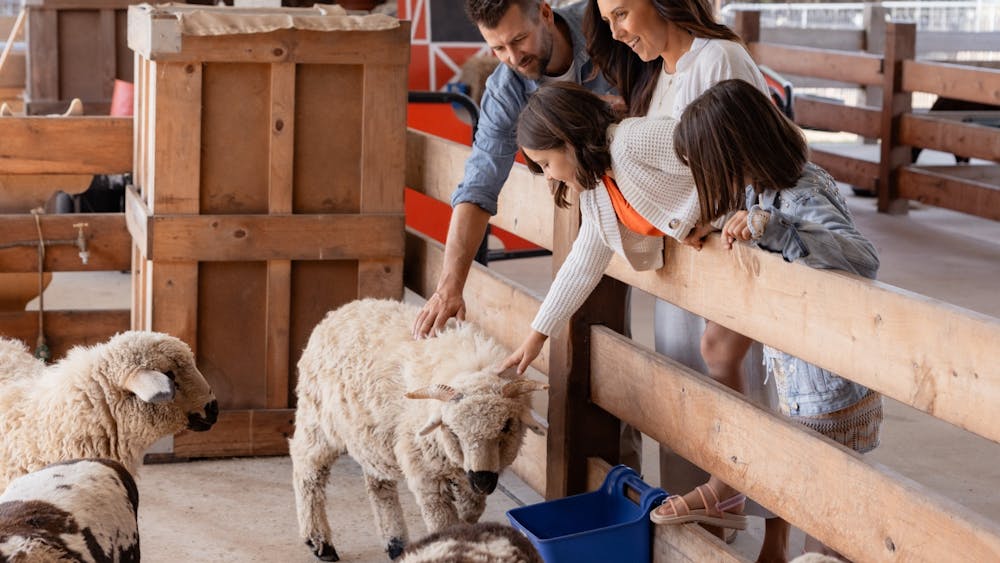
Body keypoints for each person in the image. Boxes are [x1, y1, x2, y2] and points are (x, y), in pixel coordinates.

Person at [585, 0, 789, 554]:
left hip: (731, 248)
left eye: (623, 13)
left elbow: (745, 156)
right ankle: (703, 530)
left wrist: (693, 218)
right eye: (608, 21)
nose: (617, 31)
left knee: (748, 391)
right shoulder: (655, 79)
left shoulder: (718, 58)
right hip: (683, 257)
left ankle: (775, 532)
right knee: (687, 383)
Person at [661, 78, 884, 560]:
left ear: (735, 151)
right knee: (812, 505)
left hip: (829, 389)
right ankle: (735, 484)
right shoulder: (763, 187)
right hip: (801, 379)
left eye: (707, 166)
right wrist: (723, 222)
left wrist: (774, 228)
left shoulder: (801, 193)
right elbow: (755, 219)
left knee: (827, 523)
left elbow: (863, 258)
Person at [411, 0, 614, 339]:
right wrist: (449, 287)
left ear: (545, 14)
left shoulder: (606, 26)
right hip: (597, 208)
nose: (513, 57)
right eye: (498, 48)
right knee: (600, 316)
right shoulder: (505, 88)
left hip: (664, 175)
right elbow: (479, 184)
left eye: (519, 39)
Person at [500, 82, 698, 380]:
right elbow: (582, 265)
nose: (549, 176)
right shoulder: (597, 190)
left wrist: (709, 217)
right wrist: (537, 336)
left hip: (773, 220)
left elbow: (717, 155)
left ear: (567, 142)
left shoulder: (634, 140)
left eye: (546, 164)